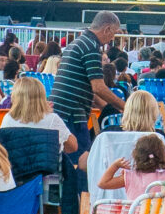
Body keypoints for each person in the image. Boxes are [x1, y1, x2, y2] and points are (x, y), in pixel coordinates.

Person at [50, 11, 122, 154]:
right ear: (107, 29)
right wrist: (126, 107)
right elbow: (98, 87)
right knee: (83, 162)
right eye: (113, 33)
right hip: (73, 114)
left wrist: (108, 108)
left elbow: (84, 87)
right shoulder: (91, 47)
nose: (112, 38)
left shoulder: (77, 43)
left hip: (59, 111)